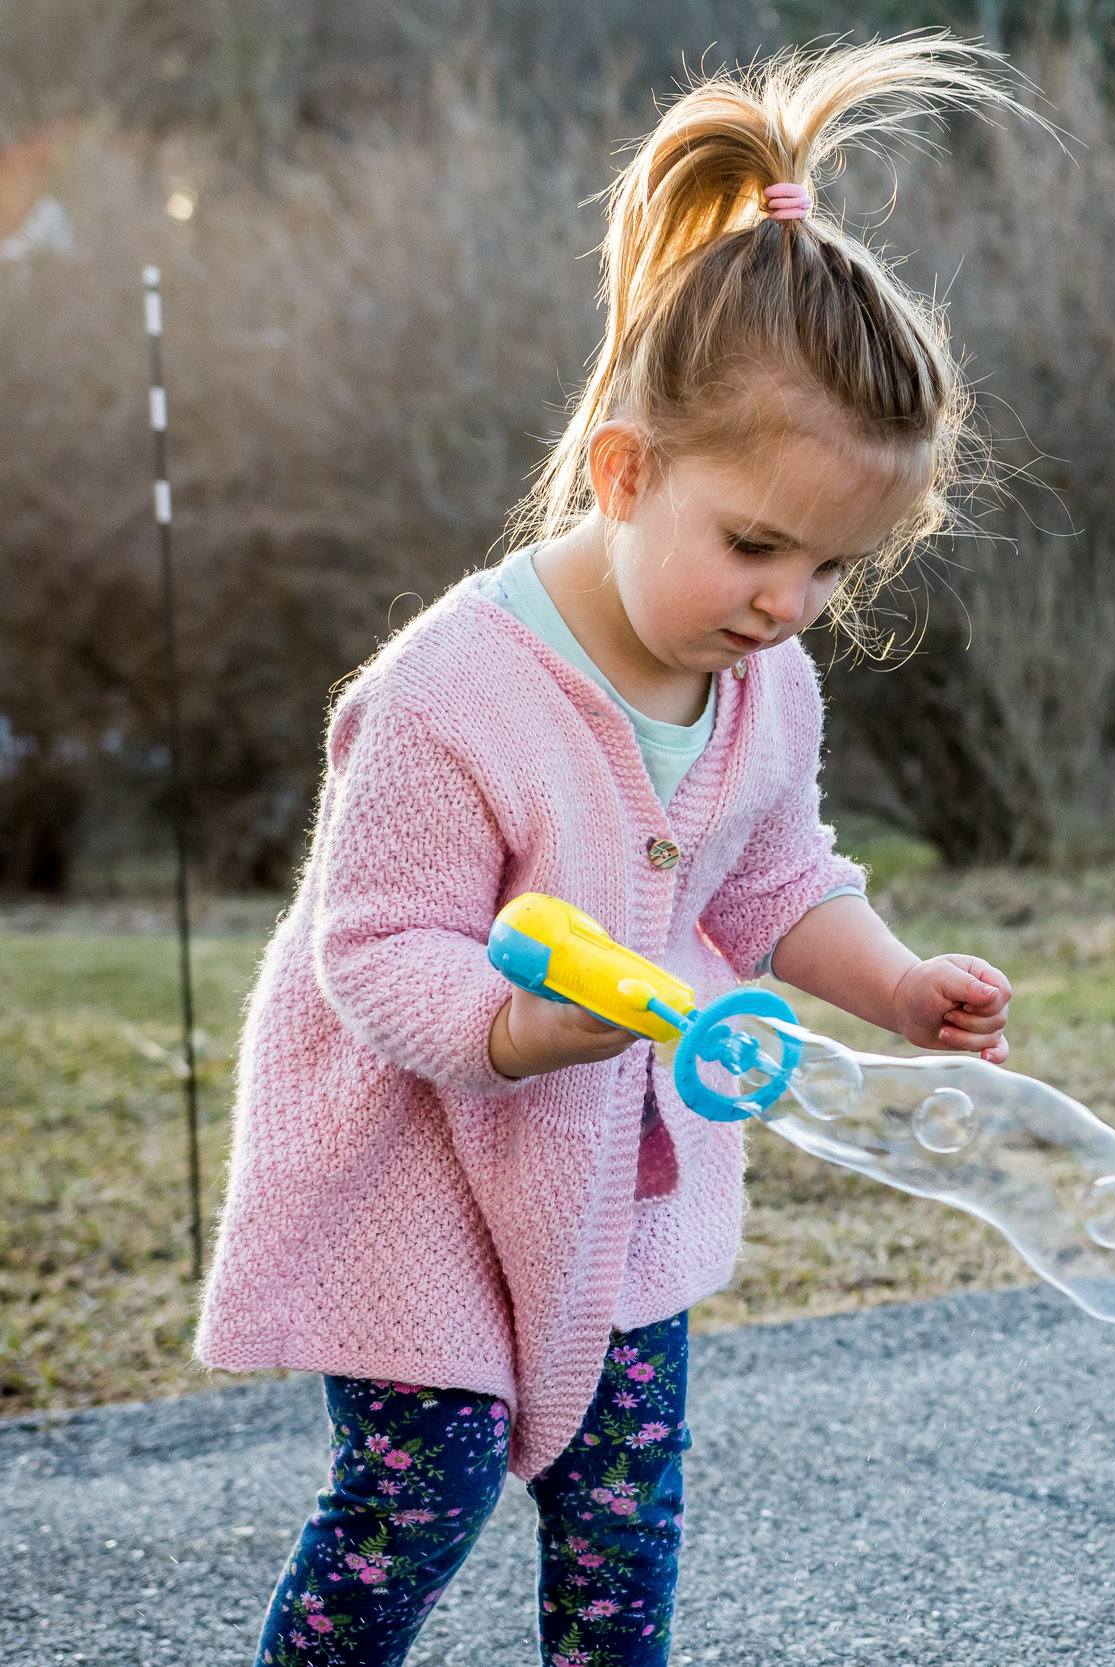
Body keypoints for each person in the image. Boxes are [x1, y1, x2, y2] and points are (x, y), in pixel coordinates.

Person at [196, 38, 1025, 1667]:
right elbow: (377, 951)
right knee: (409, 1503)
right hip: (417, 1183)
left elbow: (774, 877)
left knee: (627, 1505)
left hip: (618, 1184)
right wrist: (526, 1027)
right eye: (755, 547)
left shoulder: (761, 682)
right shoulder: (450, 694)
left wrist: (894, 984)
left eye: (830, 571)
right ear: (627, 471)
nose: (788, 604)